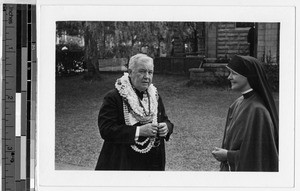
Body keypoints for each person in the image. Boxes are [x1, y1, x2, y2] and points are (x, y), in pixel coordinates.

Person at [95, 53, 174, 170]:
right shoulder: (114, 97)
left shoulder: (155, 96)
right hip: (123, 163)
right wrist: (139, 131)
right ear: (130, 72)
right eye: (142, 71)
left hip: (153, 163)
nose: (147, 76)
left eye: (150, 72)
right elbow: (106, 130)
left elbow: (165, 120)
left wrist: (166, 127)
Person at [212, 55, 279, 171]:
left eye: (234, 73)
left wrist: (228, 155)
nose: (229, 77)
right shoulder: (237, 103)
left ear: (248, 76)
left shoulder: (258, 111)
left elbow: (262, 156)